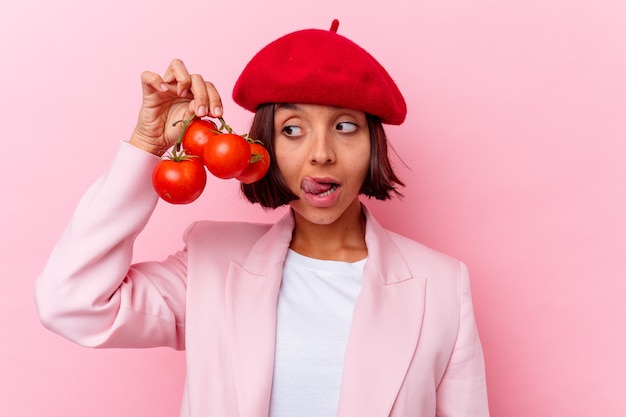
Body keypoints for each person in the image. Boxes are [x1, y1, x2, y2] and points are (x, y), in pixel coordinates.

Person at [35, 20, 490, 417]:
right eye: (292, 130)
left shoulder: (442, 286)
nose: (321, 154)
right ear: (262, 148)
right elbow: (71, 303)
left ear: (374, 145)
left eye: (345, 126)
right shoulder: (210, 265)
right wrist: (147, 144)